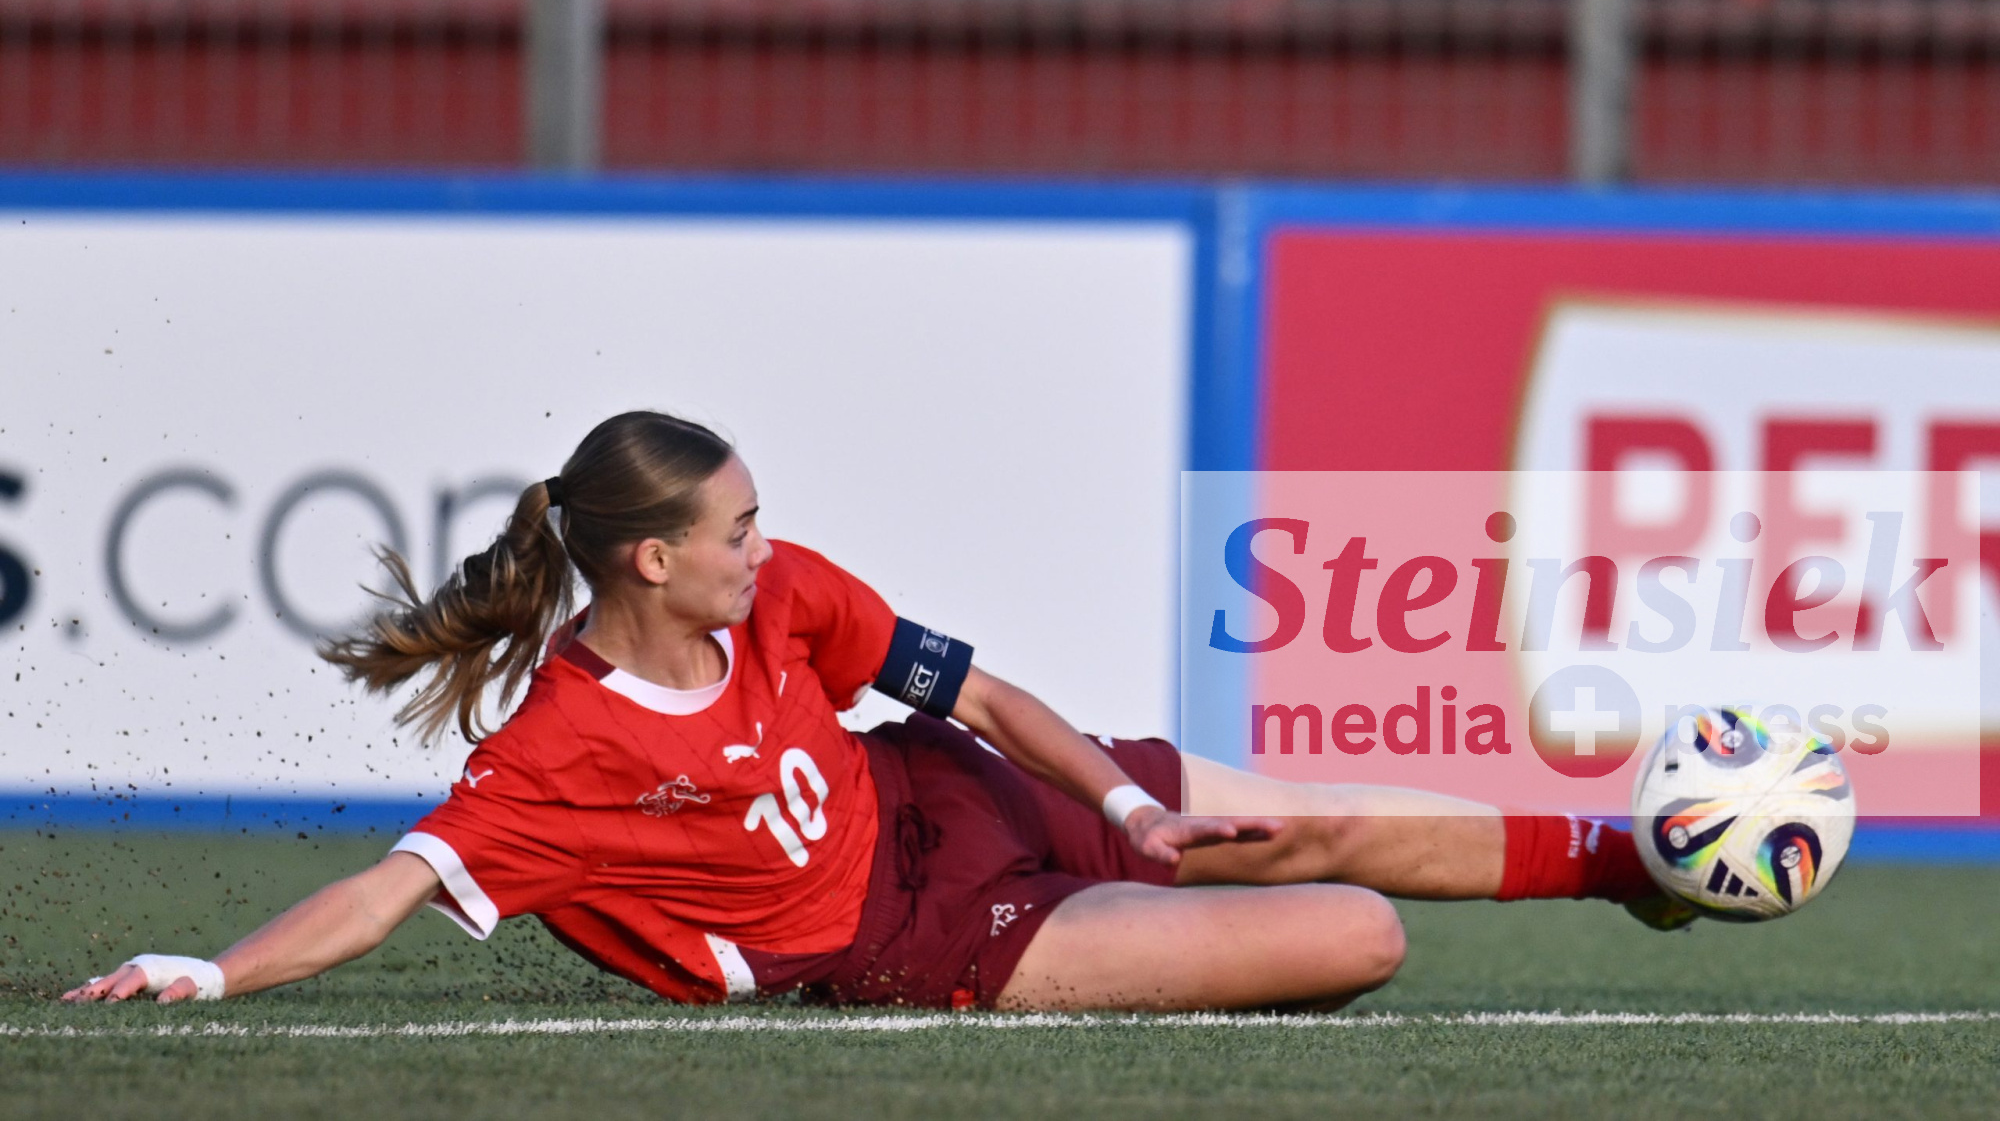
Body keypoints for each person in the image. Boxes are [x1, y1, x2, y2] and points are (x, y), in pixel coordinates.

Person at [66, 411, 1683, 1013]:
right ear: (652, 559)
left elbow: (982, 694)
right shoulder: (560, 747)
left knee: (1303, 820)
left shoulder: (785, 595)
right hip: (921, 944)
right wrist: (210, 970)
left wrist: (1124, 806)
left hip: (954, 791)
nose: (763, 546)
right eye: (737, 528)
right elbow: (385, 890)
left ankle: (1643, 862)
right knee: (1355, 936)